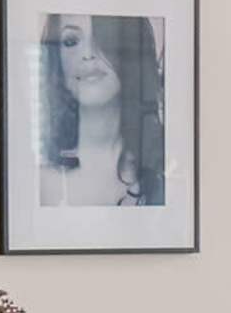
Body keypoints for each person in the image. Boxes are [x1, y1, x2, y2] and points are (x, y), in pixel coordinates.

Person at [36, 14, 167, 209]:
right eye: (71, 41)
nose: (88, 53)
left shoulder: (164, 167)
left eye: (104, 37)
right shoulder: (35, 180)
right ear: (57, 61)